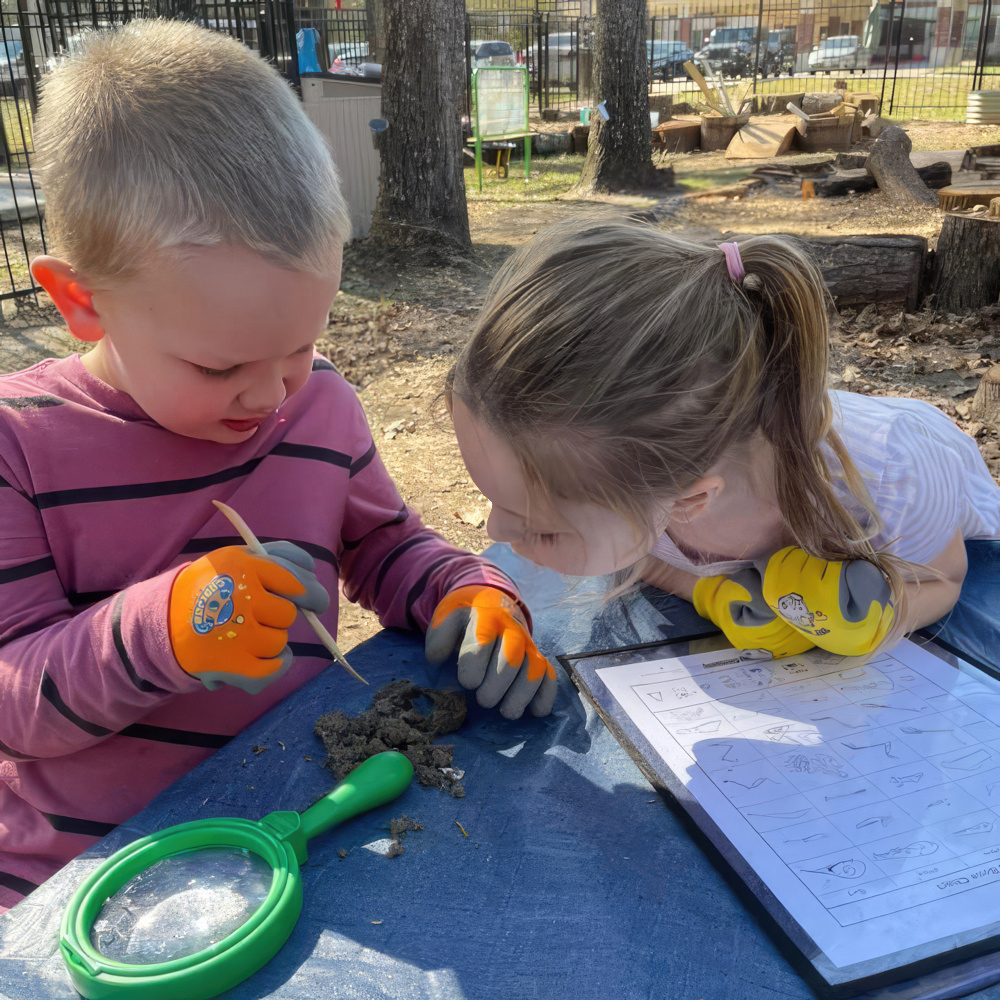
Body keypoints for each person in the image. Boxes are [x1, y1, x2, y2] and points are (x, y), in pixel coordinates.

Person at [0, 20, 555, 914]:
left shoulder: (320, 404)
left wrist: (469, 594)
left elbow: (384, 544)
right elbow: (14, 698)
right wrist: (166, 630)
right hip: (90, 875)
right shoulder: (18, 445)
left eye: (300, 343)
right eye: (219, 367)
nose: (270, 394)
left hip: (299, 818)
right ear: (80, 301)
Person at [447, 217, 1000, 668]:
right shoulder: (644, 491)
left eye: (542, 528)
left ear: (690, 501)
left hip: (954, 534)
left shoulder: (894, 479)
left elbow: (946, 577)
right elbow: (646, 559)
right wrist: (709, 592)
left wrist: (881, 618)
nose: (494, 531)